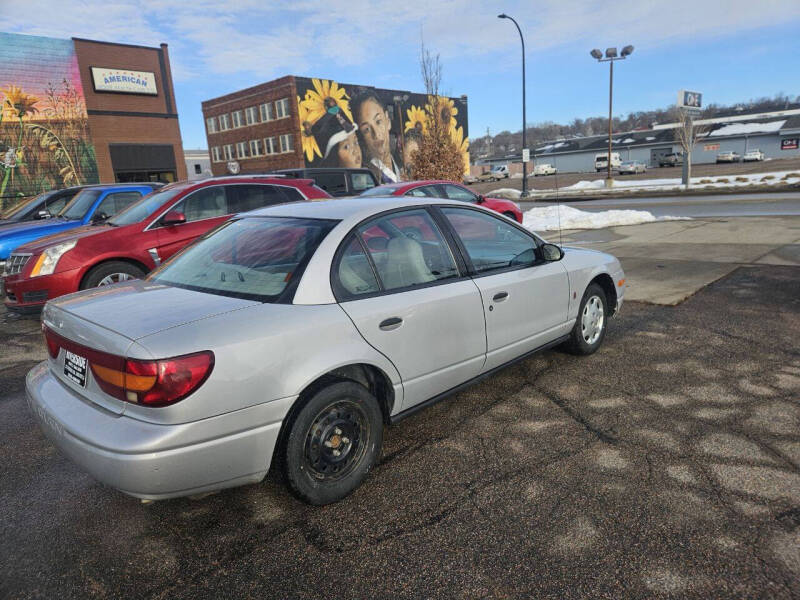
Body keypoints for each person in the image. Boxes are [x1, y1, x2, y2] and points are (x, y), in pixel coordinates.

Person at [351, 91, 402, 183]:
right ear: (361, 136)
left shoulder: (401, 168)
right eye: (366, 129)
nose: (376, 134)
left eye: (378, 122)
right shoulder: (366, 178)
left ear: (388, 121)